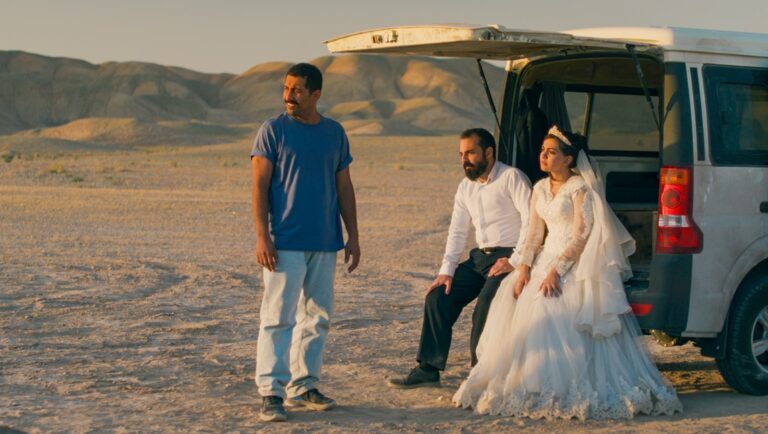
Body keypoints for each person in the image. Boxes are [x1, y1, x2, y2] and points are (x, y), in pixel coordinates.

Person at [452, 126, 682, 420]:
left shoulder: (580, 189)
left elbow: (581, 236)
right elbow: (534, 234)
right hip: (544, 257)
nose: (543, 156)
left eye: (551, 152)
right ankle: (527, 380)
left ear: (568, 159)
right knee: (516, 298)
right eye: (542, 151)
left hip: (574, 262)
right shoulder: (538, 188)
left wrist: (556, 272)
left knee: (554, 305)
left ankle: (563, 384)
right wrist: (523, 268)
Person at [250, 63, 360, 423]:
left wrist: (353, 235)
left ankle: (304, 384)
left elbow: (344, 186)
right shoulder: (273, 131)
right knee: (278, 316)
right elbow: (259, 186)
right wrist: (262, 235)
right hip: (285, 240)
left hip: (326, 241)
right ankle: (271, 391)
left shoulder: (334, 133)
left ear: (316, 95)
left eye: (297, 90)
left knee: (317, 317)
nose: (288, 96)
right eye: (286, 88)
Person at [388, 128, 531, 389]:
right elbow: (457, 230)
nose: (464, 160)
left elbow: (531, 222)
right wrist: (447, 271)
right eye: (461, 154)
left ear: (489, 152)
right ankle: (428, 369)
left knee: (485, 305)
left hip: (509, 256)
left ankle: (481, 374)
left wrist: (516, 259)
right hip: (480, 258)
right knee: (438, 297)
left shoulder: (512, 178)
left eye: (470, 153)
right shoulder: (465, 187)